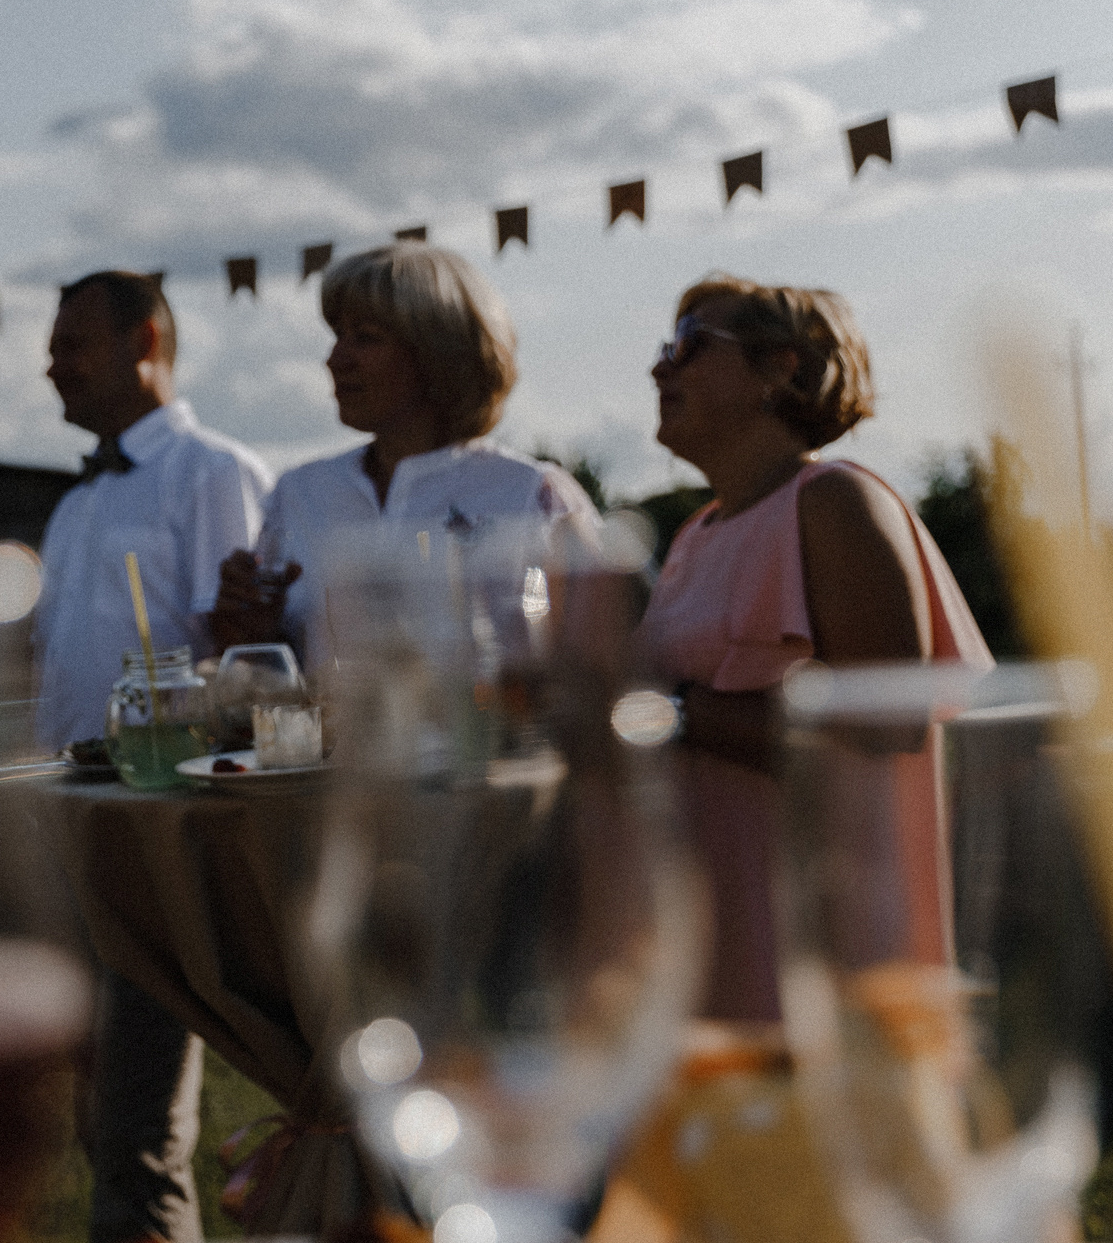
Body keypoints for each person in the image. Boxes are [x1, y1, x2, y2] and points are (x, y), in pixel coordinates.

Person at [603, 274, 988, 1242]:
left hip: (819, 933)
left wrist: (664, 710)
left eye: (690, 343)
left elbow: (886, 725)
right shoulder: (696, 533)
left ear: (780, 368)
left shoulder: (838, 502)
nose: (660, 365)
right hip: (715, 920)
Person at [33, 269, 271, 1243]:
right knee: (98, 1117)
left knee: (135, 1125)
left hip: (162, 832)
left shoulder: (214, 474)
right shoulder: (74, 506)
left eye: (70, 344)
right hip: (75, 827)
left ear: (144, 343)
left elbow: (249, 663)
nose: (51, 365)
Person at [211, 241, 596, 672]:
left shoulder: (531, 494)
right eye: (338, 335)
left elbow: (596, 664)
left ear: (439, 351)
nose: (335, 359)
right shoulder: (300, 493)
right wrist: (251, 630)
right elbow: (275, 671)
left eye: (365, 337)